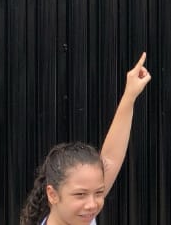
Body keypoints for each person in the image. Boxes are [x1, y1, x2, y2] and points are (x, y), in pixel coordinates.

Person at [18, 52, 152, 225]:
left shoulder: (80, 215)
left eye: (99, 193)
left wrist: (130, 95)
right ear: (52, 194)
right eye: (80, 194)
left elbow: (111, 156)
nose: (92, 204)